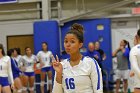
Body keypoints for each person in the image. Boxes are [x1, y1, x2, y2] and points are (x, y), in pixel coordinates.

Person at [52, 23, 103, 93]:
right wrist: (58, 73)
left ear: (80, 44)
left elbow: (98, 90)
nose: (68, 45)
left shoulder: (91, 63)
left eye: (72, 41)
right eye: (66, 41)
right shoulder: (61, 65)